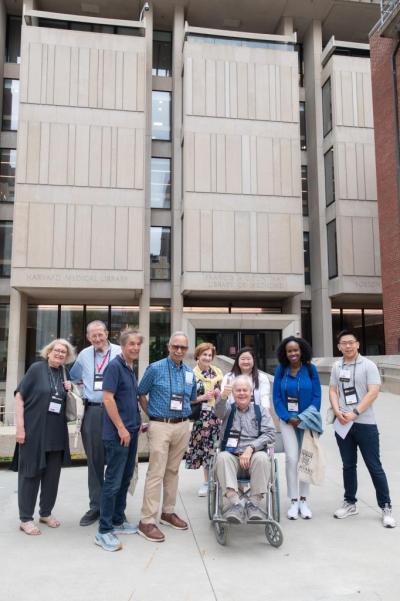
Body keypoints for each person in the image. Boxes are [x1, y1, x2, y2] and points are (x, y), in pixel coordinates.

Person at [329, 329, 396, 528]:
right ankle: (350, 502)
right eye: (344, 343)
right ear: (339, 347)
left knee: (374, 466)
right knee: (348, 465)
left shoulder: (368, 365)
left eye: (351, 342)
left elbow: (373, 391)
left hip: (365, 424)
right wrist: (336, 410)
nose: (348, 346)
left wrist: (355, 412)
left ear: (358, 344)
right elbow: (333, 390)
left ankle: (385, 506)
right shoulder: (336, 366)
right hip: (342, 424)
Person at [137, 331, 197, 542]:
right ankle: (146, 520)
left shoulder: (190, 373)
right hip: (160, 424)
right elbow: (141, 392)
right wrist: (151, 415)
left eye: (183, 347)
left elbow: (191, 398)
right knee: (156, 472)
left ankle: (168, 512)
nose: (179, 350)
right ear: (169, 346)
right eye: (175, 346)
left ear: (187, 350)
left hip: (182, 425)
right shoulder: (155, 368)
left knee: (173, 471)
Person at [15, 339, 75, 535]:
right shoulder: (36, 369)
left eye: (63, 353)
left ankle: (45, 513)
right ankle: (25, 518)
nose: (59, 354)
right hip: (34, 431)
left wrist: (70, 389)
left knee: (52, 477)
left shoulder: (64, 374)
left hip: (56, 433)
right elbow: (19, 396)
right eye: (56, 350)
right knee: (30, 474)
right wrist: (20, 428)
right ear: (48, 352)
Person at [95, 329, 143, 552]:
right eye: (131, 344)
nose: (135, 347)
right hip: (118, 435)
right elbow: (107, 398)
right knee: (113, 481)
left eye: (138, 344)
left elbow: (128, 399)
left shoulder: (130, 367)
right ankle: (104, 531)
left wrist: (136, 423)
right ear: (123, 345)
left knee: (125, 479)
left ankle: (117, 520)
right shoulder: (114, 366)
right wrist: (122, 428)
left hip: (131, 432)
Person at [70, 320, 120, 526]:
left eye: (100, 334)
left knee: (117, 461)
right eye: (93, 336)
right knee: (95, 462)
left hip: (115, 411)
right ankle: (96, 506)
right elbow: (73, 377)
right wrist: (84, 389)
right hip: (93, 411)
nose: (97, 339)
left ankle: (115, 507)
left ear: (107, 333)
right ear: (89, 337)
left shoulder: (119, 352)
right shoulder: (83, 355)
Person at [214, 375, 275, 523]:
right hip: (232, 458)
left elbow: (271, 433)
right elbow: (218, 412)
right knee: (222, 457)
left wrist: (251, 448)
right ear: (233, 393)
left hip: (253, 458)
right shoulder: (228, 409)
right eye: (238, 390)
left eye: (245, 390)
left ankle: (253, 504)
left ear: (251, 392)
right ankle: (236, 504)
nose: (241, 393)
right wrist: (223, 396)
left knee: (262, 457)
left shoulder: (260, 411)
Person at [273, 335, 321, 520]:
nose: (293, 353)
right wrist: (287, 417)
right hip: (287, 422)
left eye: (296, 350)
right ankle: (293, 500)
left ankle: (304, 500)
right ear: (285, 353)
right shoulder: (280, 370)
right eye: (289, 351)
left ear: (302, 351)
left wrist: (302, 417)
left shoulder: (311, 369)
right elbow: (276, 397)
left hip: (307, 421)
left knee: (305, 459)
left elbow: (317, 396)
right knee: (292, 459)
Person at [185, 342, 223, 497]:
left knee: (218, 450)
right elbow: (185, 398)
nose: (207, 358)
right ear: (198, 356)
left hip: (218, 416)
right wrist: (202, 397)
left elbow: (224, 394)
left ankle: (219, 481)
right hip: (202, 418)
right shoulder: (190, 374)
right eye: (204, 355)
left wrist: (219, 394)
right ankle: (207, 483)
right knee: (205, 450)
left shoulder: (218, 373)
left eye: (210, 355)